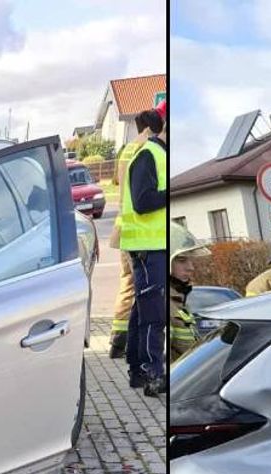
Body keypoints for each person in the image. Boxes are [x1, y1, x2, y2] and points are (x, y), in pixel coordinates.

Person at [119, 101, 167, 396]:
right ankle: (153, 375)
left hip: (149, 246)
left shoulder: (155, 154)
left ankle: (137, 368)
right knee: (152, 314)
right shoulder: (149, 155)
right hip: (148, 247)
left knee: (142, 310)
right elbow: (143, 201)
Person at [108, 114, 156, 359]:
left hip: (125, 227)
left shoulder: (127, 148)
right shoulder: (145, 149)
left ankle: (119, 339)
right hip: (138, 230)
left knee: (127, 283)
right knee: (135, 286)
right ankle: (122, 341)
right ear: (149, 128)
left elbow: (117, 181)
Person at [169, 223, 208, 364]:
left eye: (191, 260)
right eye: (181, 260)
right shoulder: (162, 304)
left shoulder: (177, 301)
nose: (190, 268)